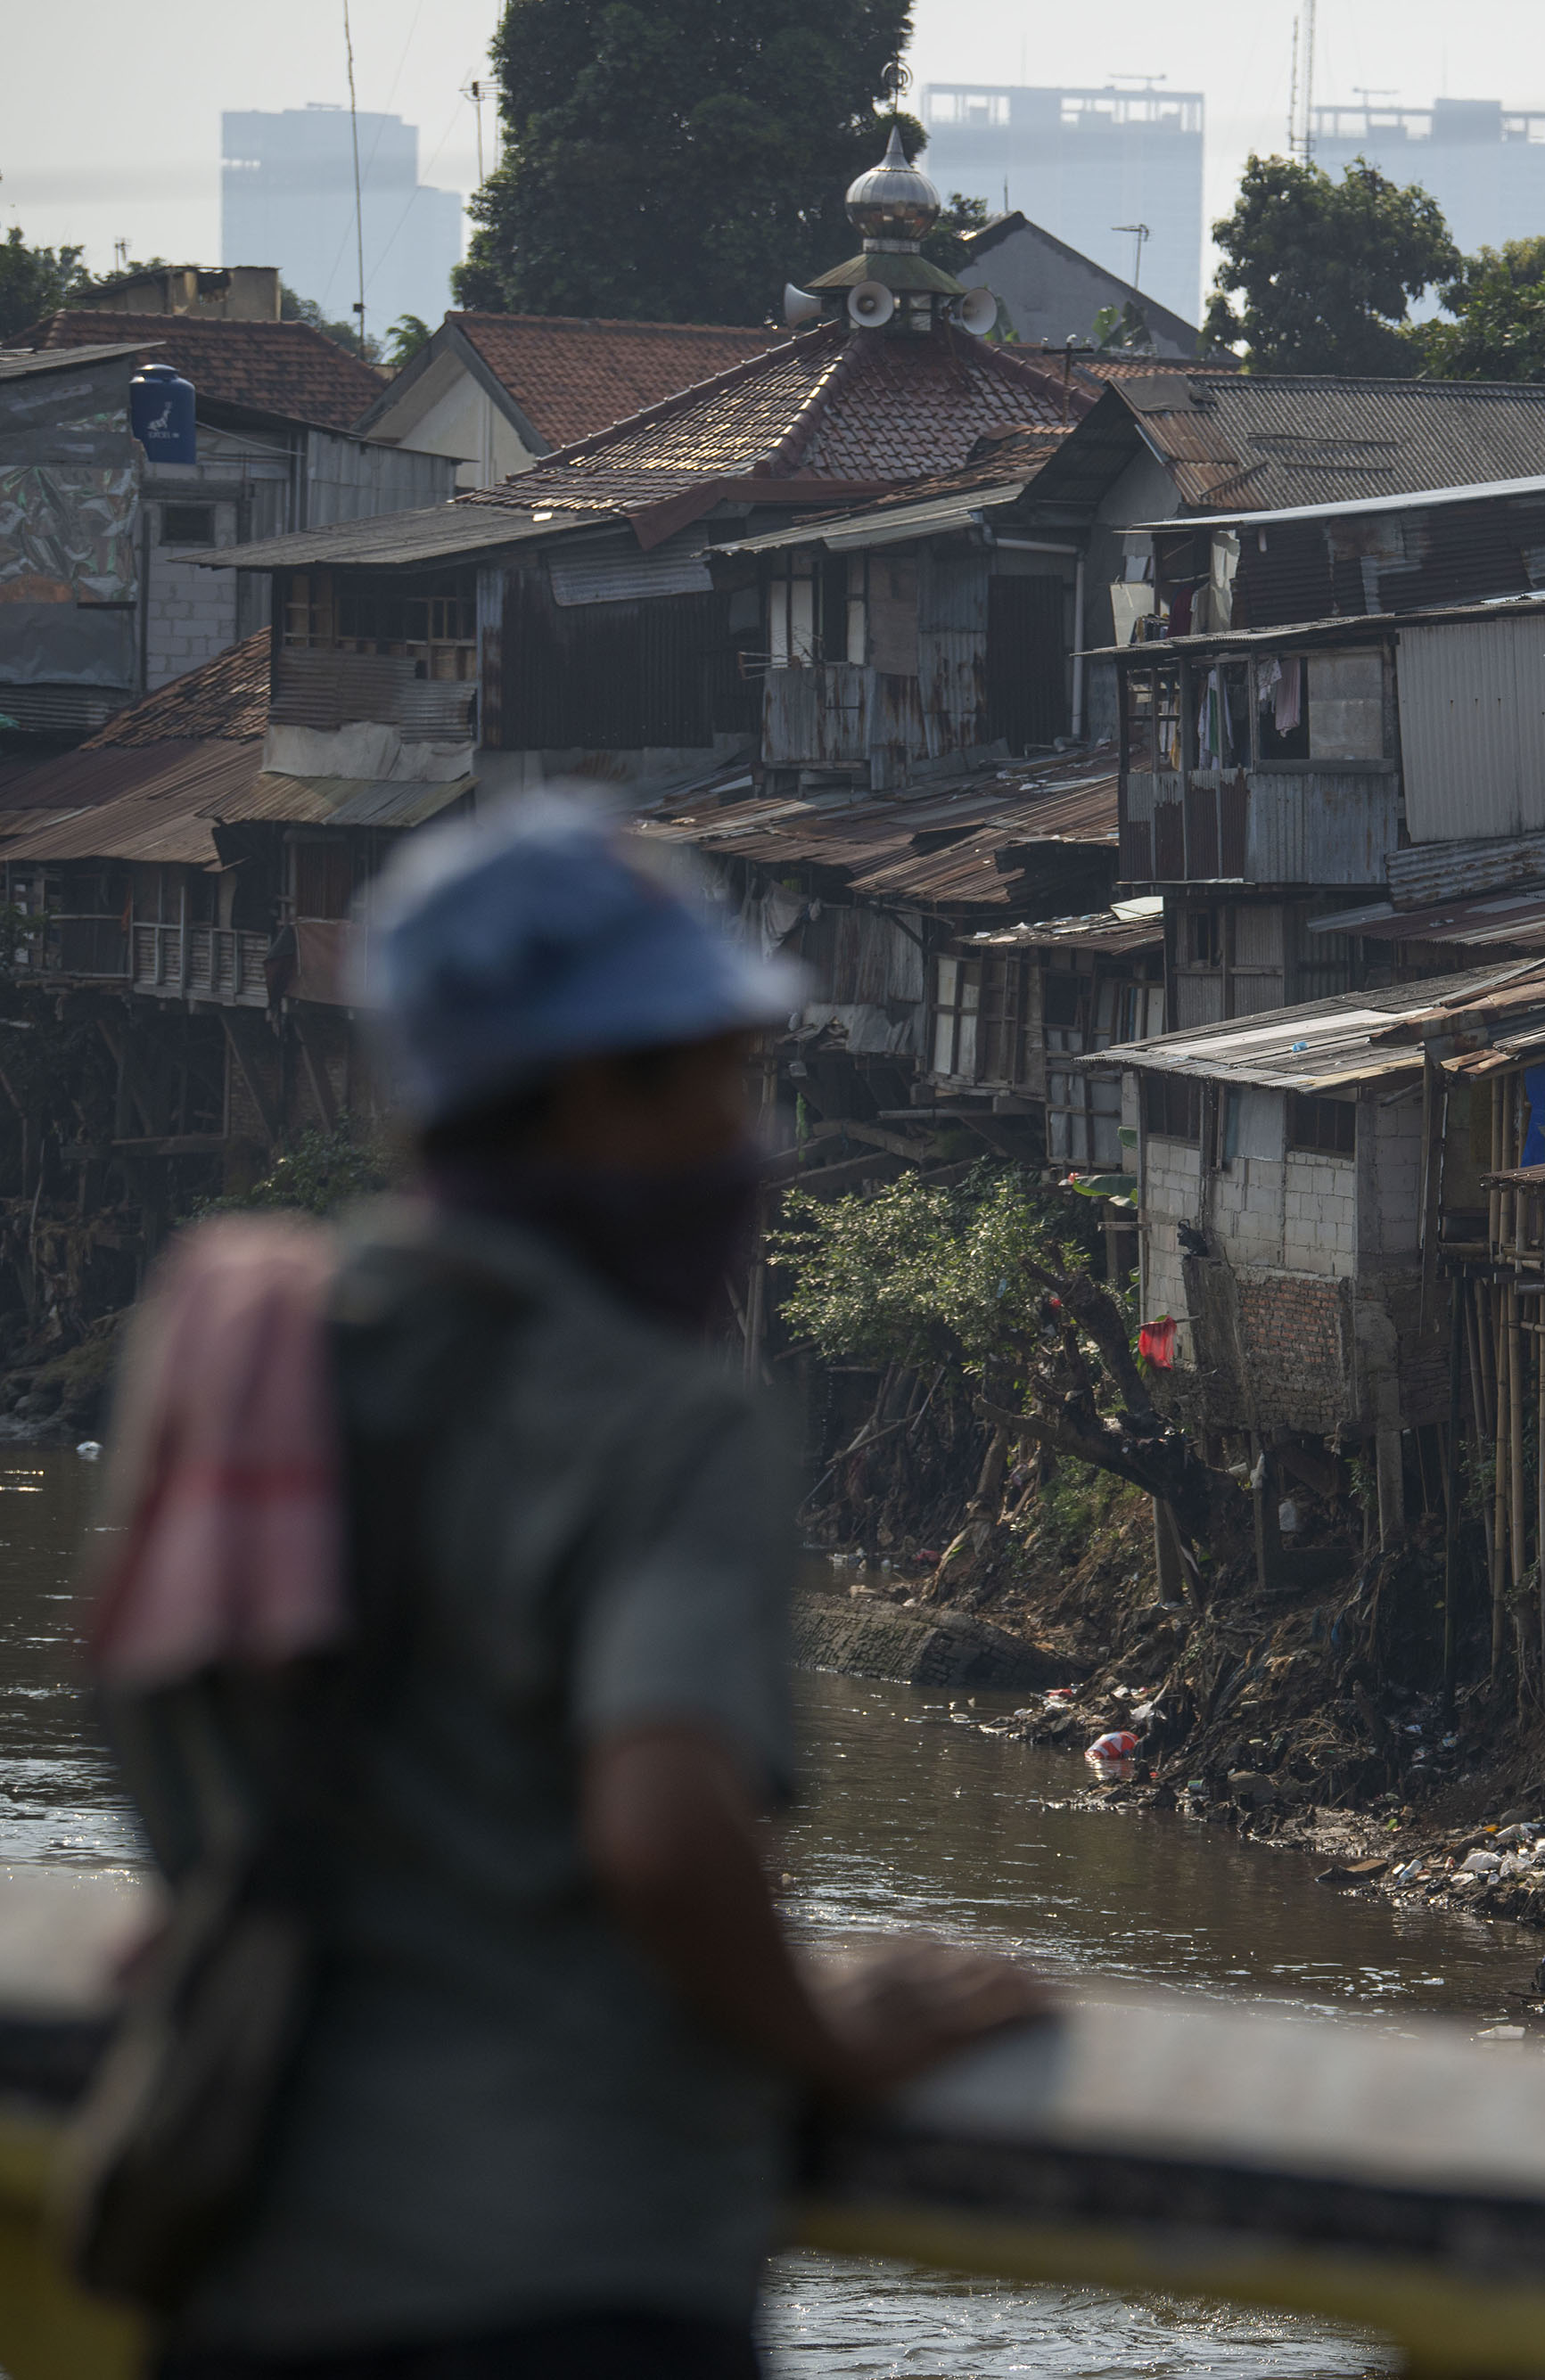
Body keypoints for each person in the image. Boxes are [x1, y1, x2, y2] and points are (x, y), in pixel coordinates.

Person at [87, 800, 1041, 2380]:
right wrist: (836, 2040)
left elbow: (172, 1750)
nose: (758, 1139)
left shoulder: (239, 1353)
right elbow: (663, 1830)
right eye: (727, 1080)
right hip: (567, 2288)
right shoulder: (666, 1420)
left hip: (259, 2265)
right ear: (603, 1089)